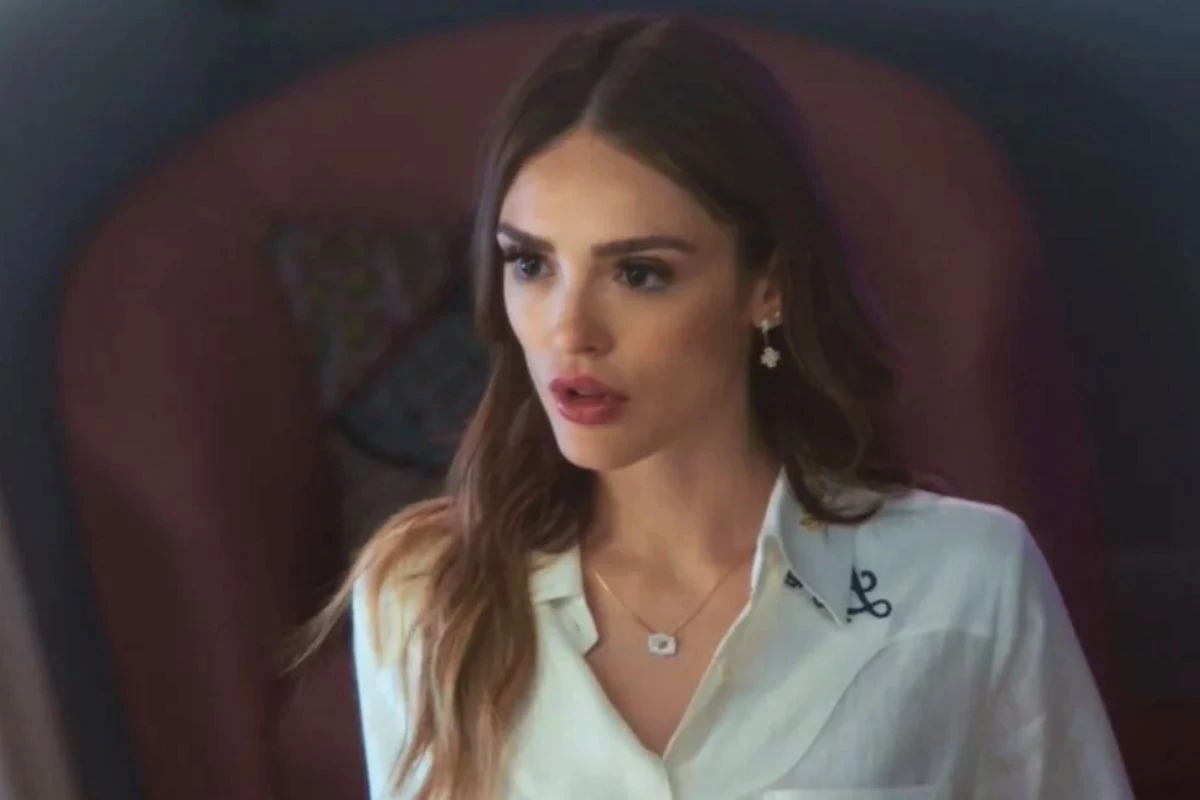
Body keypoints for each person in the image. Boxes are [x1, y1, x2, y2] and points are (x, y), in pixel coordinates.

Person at [297, 14, 1132, 799]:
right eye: (531, 265)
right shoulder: (421, 593)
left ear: (767, 288)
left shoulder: (968, 581)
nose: (569, 331)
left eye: (640, 274)